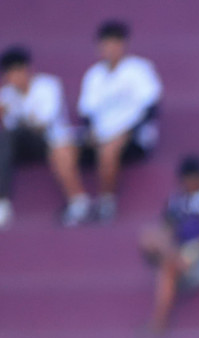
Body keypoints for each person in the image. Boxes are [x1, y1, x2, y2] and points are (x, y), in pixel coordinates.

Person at [76, 20, 162, 222]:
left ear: (124, 45)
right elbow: (86, 112)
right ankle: (78, 203)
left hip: (133, 136)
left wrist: (125, 133)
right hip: (101, 135)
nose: (110, 49)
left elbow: (151, 109)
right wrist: (91, 133)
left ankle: (106, 203)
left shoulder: (139, 69)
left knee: (109, 149)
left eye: (115, 43)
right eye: (106, 44)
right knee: (62, 148)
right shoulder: (94, 75)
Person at [138, 155, 199, 333]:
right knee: (149, 237)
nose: (190, 184)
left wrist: (193, 252)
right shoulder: (177, 200)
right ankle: (174, 261)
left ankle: (159, 323)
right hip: (180, 255)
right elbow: (166, 229)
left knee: (168, 268)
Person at [0, 45, 90, 227]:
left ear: (27, 69)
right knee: (5, 139)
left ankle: (78, 202)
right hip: (23, 144)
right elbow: (11, 129)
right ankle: (3, 202)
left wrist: (15, 112)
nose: (14, 78)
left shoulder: (48, 85)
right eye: (9, 74)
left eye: (17, 72)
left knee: (59, 150)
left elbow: (44, 122)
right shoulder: (6, 94)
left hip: (53, 139)